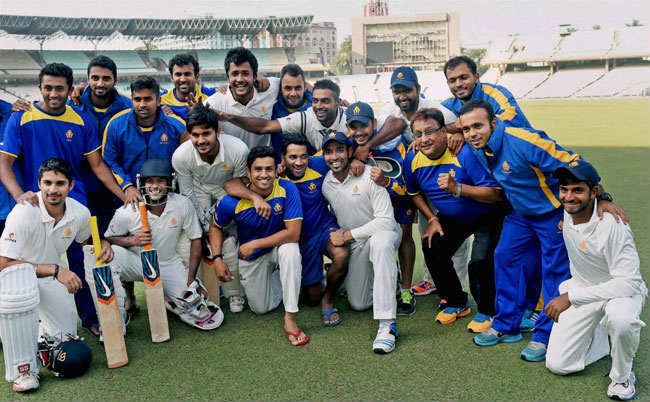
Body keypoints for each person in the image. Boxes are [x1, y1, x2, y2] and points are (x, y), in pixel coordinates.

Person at [461, 100, 626, 361]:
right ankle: (506, 325)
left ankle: (546, 335)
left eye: (477, 126)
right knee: (504, 257)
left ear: (493, 123)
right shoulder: (478, 147)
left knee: (554, 271)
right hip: (520, 214)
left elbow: (573, 162)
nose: (472, 133)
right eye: (466, 129)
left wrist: (602, 197)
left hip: (552, 213)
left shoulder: (524, 141)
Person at [0, 63, 132, 338]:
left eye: (59, 88)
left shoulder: (80, 120)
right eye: (48, 88)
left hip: (75, 205)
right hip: (35, 207)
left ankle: (92, 318)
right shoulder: (21, 117)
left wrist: (124, 196)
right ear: (40, 88)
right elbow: (4, 164)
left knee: (85, 259)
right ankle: (26, 324)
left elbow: (98, 166)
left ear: (70, 89)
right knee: (28, 263)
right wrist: (19, 196)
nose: (53, 93)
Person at [0, 158, 111, 392]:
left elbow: (86, 241)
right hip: (13, 279)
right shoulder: (24, 213)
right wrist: (55, 270)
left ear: (71, 185)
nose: (53, 190)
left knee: (65, 343)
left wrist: (104, 243)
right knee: (19, 294)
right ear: (39, 184)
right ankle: (24, 370)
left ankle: (35, 338)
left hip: (51, 278)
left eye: (60, 183)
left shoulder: (79, 213)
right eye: (47, 183)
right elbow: (3, 263)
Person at [545, 160, 646, 401]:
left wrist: (570, 297)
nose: (569, 197)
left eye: (578, 190)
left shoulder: (613, 225)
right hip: (584, 288)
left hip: (620, 292)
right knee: (559, 365)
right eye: (564, 189)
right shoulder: (568, 209)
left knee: (621, 320)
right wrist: (604, 199)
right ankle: (607, 339)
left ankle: (622, 377)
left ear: (594, 192)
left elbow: (630, 282)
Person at [84, 158, 223, 331]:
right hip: (136, 262)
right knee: (103, 257)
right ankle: (118, 318)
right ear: (141, 184)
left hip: (168, 263)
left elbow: (196, 239)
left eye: (160, 181)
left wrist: (191, 278)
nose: (155, 186)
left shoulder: (182, 204)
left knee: (195, 307)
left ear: (170, 182)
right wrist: (133, 240)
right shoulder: (127, 210)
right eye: (149, 181)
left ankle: (170, 299)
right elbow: (109, 239)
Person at [404, 108, 504, 333]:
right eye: (418, 134)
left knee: (480, 261)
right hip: (452, 217)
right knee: (432, 246)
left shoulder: (463, 152)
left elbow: (496, 194)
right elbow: (414, 193)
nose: (424, 139)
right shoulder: (412, 157)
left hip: (486, 214)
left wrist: (457, 188)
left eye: (430, 132)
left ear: (443, 132)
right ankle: (457, 302)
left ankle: (488, 310)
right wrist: (432, 218)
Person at [210, 146, 307, 346]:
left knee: (290, 251)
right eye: (258, 169)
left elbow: (293, 233)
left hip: (276, 248)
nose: (264, 174)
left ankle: (290, 317)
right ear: (248, 172)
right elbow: (215, 226)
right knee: (261, 309)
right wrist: (217, 258)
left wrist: (255, 244)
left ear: (277, 170)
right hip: (252, 257)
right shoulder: (231, 202)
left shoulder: (287, 188)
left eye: (269, 169)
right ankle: (282, 277)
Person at [321, 131, 401, 354]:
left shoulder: (370, 175)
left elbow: (386, 221)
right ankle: (390, 278)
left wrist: (346, 235)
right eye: (328, 152)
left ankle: (387, 325)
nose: (334, 157)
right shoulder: (326, 183)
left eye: (339, 150)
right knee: (359, 304)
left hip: (384, 233)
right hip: (358, 242)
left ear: (350, 152)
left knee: (381, 244)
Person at [172, 105, 255, 313]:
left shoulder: (238, 149)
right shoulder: (181, 156)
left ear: (218, 131)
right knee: (193, 240)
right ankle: (200, 290)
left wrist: (218, 220)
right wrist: (202, 226)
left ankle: (234, 291)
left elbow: (240, 185)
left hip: (229, 190)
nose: (201, 140)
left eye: (206, 134)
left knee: (229, 241)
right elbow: (187, 194)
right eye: (195, 135)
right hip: (198, 190)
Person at [345, 101, 416, 316]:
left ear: (374, 124)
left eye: (364, 126)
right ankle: (372, 280)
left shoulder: (393, 142)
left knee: (404, 235)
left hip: (399, 198)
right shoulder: (348, 145)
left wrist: (386, 183)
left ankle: (406, 290)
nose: (359, 132)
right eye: (354, 127)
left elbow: (407, 189)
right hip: (371, 203)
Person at [280, 133, 349, 326]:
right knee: (311, 299)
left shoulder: (318, 165)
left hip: (325, 229)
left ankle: (328, 300)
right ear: (283, 158)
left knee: (341, 254)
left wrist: (358, 159)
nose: (299, 162)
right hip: (301, 240)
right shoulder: (275, 177)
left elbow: (347, 151)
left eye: (303, 156)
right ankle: (323, 275)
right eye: (293, 157)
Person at [102, 75, 186, 196]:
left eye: (147, 99)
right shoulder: (116, 125)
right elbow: (109, 160)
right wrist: (127, 185)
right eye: (137, 99)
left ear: (158, 101)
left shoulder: (177, 126)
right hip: (130, 194)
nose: (142, 104)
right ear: (132, 100)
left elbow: (188, 160)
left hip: (168, 194)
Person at [215, 79, 348, 155]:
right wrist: (229, 117)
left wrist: (359, 156)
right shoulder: (306, 118)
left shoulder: (349, 117)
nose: (319, 106)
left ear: (338, 102)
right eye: (315, 101)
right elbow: (264, 126)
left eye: (325, 101)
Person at [205, 47, 280, 149]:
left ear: (255, 76)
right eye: (235, 74)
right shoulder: (213, 104)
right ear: (228, 77)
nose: (240, 79)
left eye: (245, 73)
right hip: (231, 159)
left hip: (264, 158)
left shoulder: (270, 88)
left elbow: (297, 82)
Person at [442, 55, 532, 129]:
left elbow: (513, 119)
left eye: (464, 78)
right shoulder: (448, 104)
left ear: (476, 77)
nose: (458, 84)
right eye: (452, 81)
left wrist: (464, 127)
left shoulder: (496, 93)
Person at [270, 64, 313, 159]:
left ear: (305, 86)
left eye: (298, 88)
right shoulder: (272, 105)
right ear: (280, 87)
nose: (293, 93)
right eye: (288, 88)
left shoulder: (316, 106)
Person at [160, 53, 217, 121]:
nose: (183, 79)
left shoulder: (211, 95)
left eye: (187, 74)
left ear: (197, 76)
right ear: (172, 77)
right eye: (178, 74)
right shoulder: (160, 99)